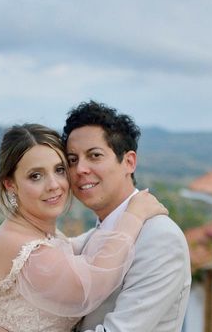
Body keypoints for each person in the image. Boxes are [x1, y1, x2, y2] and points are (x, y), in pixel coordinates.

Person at [0, 123, 168, 332]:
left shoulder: (46, 237)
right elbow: (86, 289)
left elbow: (75, 248)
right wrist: (133, 216)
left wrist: (112, 219)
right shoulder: (14, 243)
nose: (54, 184)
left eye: (59, 170)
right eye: (36, 176)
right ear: (10, 184)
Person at [63, 101, 191, 332]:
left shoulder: (160, 238)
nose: (80, 169)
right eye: (72, 160)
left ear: (129, 162)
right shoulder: (96, 234)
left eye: (94, 155)